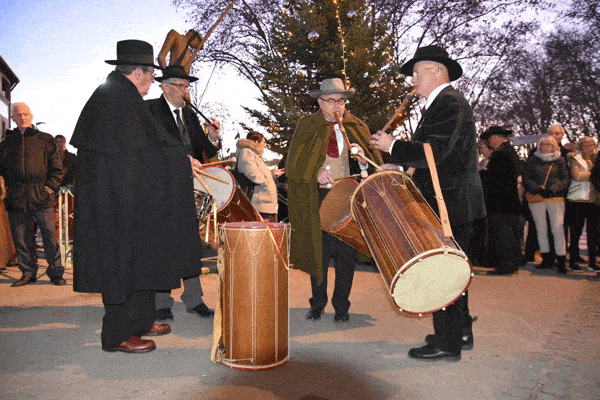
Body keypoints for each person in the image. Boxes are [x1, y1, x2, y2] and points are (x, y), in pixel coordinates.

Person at [71, 40, 204, 353]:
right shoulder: (115, 98)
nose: (151, 83)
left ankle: (141, 320)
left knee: (142, 261)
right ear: (140, 73)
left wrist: (180, 157)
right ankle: (117, 334)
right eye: (150, 75)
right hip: (116, 207)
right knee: (121, 267)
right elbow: (140, 152)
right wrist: (180, 159)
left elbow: (148, 147)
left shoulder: (121, 95)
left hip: (132, 201)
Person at [370, 45, 485, 361]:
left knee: (442, 273)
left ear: (436, 71)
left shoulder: (448, 104)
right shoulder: (447, 104)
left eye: (417, 73)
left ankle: (447, 343)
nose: (413, 81)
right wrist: (398, 165)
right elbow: (434, 157)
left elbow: (435, 152)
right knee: (455, 272)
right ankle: (460, 332)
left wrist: (392, 145)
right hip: (455, 203)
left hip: (449, 205)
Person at [286, 78, 382, 323]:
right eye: (331, 101)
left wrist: (362, 160)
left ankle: (342, 306)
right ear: (320, 102)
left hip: (347, 199)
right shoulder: (307, 125)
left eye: (341, 101)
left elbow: (373, 164)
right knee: (319, 253)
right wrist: (315, 172)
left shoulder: (356, 125)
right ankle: (317, 304)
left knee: (346, 256)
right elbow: (294, 164)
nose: (337, 107)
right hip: (317, 198)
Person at [146, 64, 219, 320]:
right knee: (162, 245)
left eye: (187, 87)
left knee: (189, 244)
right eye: (180, 86)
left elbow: (204, 150)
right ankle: (161, 302)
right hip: (160, 188)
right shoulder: (151, 111)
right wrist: (180, 160)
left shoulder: (189, 115)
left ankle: (193, 299)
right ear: (165, 86)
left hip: (185, 188)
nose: (185, 91)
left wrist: (211, 137)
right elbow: (151, 149)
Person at [0, 103, 66, 287]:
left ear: (31, 115)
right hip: (16, 197)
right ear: (12, 118)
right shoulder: (6, 143)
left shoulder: (45, 139)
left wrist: (49, 189)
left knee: (49, 237)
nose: (22, 117)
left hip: (41, 196)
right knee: (21, 238)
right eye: (18, 115)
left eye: (25, 114)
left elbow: (57, 169)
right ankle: (28, 273)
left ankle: (56, 272)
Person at [522, 135, 570, 274]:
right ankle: (546, 258)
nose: (545, 147)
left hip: (555, 198)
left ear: (554, 146)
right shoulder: (533, 160)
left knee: (557, 228)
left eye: (548, 144)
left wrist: (551, 189)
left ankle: (561, 261)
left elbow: (565, 179)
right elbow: (526, 177)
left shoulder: (560, 160)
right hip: (537, 198)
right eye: (542, 144)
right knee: (541, 229)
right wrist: (536, 188)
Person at [480, 126, 523, 275]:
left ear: (496, 137)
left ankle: (506, 265)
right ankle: (511, 263)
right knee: (509, 233)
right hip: (508, 200)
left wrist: (484, 174)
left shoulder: (501, 153)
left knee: (503, 234)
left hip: (501, 201)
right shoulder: (508, 151)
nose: (490, 141)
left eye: (490, 138)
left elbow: (498, 178)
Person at [565, 137, 599, 271]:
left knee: (593, 233)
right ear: (580, 146)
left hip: (593, 200)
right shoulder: (576, 159)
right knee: (575, 233)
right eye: (586, 145)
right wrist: (595, 174)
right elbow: (577, 176)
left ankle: (592, 261)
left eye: (591, 145)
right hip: (577, 199)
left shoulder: (596, 158)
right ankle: (573, 260)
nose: (589, 147)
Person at [235, 131, 284, 222]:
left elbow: (257, 172)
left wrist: (272, 173)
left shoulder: (253, 155)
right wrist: (266, 182)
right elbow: (252, 174)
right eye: (263, 142)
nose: (264, 146)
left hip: (265, 204)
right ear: (257, 142)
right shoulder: (247, 152)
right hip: (259, 204)